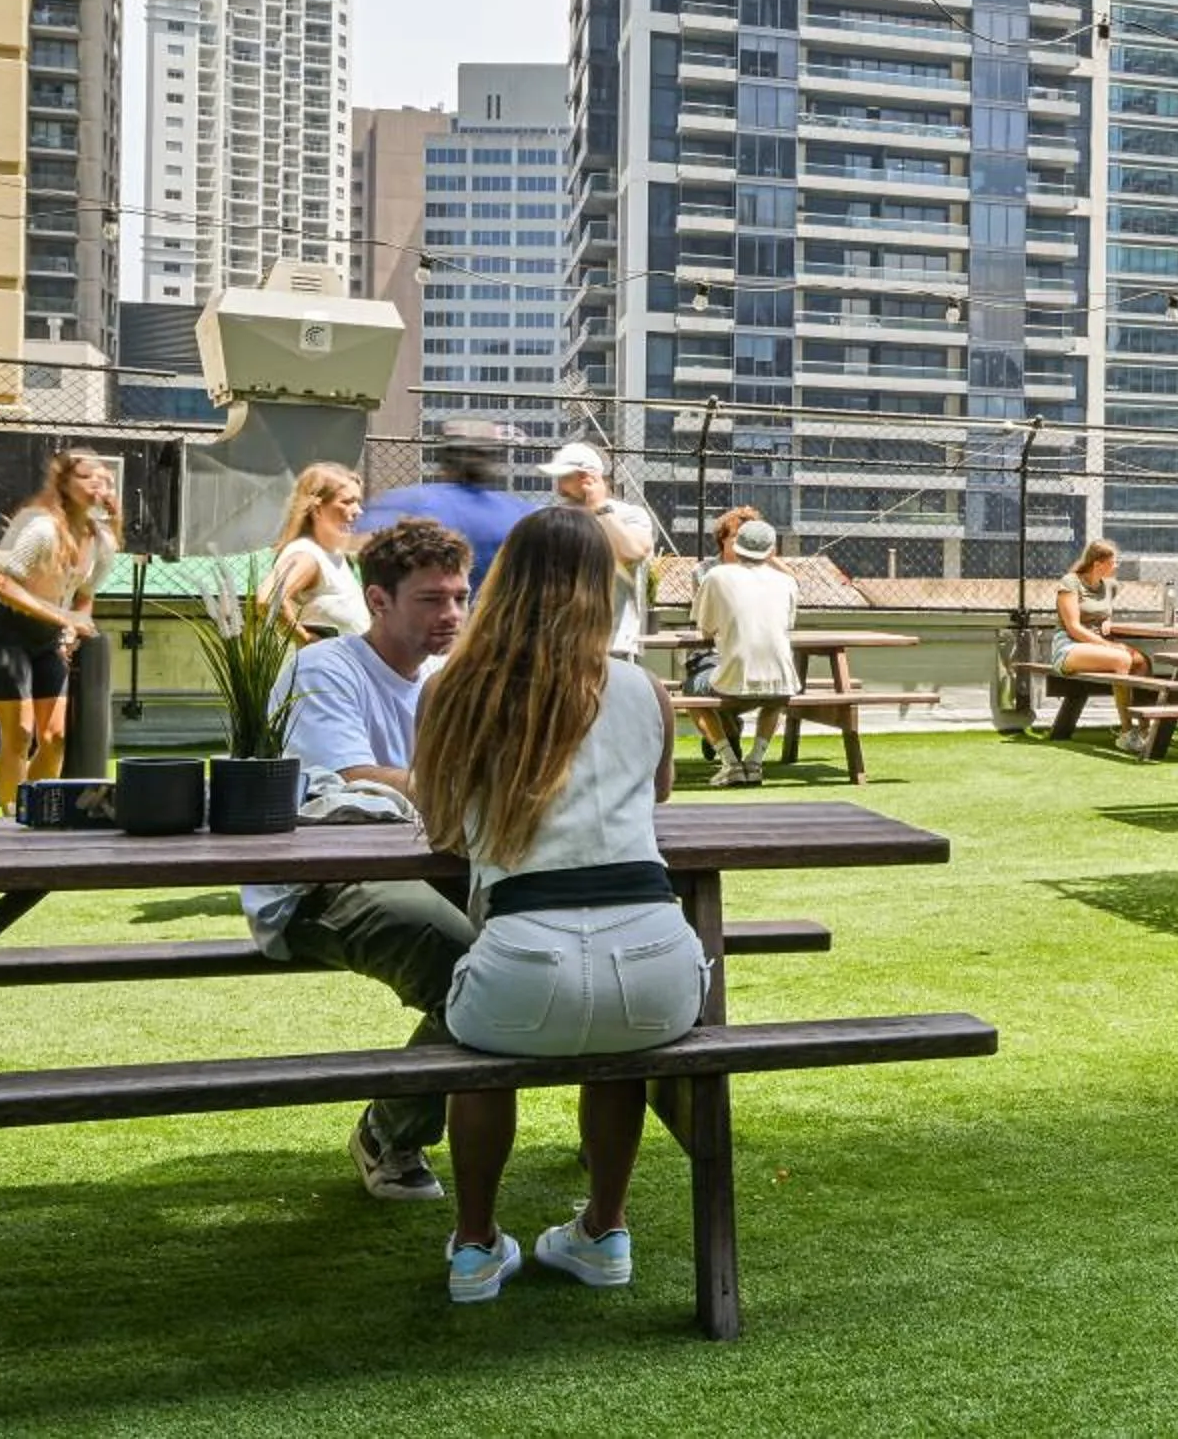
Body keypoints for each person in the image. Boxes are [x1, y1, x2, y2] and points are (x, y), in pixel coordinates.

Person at [413, 507, 697, 1304]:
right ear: (601, 589)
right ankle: (604, 1229)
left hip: (519, 964)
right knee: (620, 1058)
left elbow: (438, 824)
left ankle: (475, 1244)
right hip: (657, 966)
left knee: (477, 1059)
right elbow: (659, 793)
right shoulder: (644, 689)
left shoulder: (451, 690)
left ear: (502, 581)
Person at [236, 519, 477, 1204]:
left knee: (557, 934)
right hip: (319, 883)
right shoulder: (323, 668)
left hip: (434, 866)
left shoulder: (447, 674)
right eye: (431, 600)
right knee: (466, 962)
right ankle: (390, 1133)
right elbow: (349, 780)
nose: (452, 614)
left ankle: (603, 1125)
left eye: (459, 596)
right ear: (377, 601)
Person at [0, 449, 110, 814]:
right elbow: (2, 584)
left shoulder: (101, 540)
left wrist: (72, 629)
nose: (98, 481)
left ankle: (34, 810)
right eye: (85, 476)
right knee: (19, 734)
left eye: (103, 475)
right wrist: (62, 618)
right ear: (64, 483)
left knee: (56, 737)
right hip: (6, 634)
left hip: (48, 639)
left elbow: (85, 595)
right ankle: (10, 819)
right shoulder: (41, 527)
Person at [355, 420, 535, 588]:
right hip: (495, 616)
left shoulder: (404, 502)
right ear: (494, 459)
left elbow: (359, 550)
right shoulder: (523, 513)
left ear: (443, 457)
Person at [689, 517, 799, 786]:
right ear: (771, 550)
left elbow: (705, 628)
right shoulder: (787, 582)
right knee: (774, 699)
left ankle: (730, 763)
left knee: (692, 691)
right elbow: (789, 623)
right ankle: (755, 761)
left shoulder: (716, 576)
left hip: (734, 679)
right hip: (784, 680)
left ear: (737, 547)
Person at [542, 441, 658, 657]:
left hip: (613, 643)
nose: (559, 488)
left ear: (589, 478)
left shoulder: (630, 515)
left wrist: (598, 507)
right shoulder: (556, 517)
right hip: (561, 641)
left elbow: (632, 552)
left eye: (565, 478)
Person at [1051, 539, 1152, 755]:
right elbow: (1074, 628)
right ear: (1098, 564)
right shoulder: (1070, 583)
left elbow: (1105, 609)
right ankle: (1127, 732)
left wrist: (1108, 620)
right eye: (1113, 562)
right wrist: (1108, 646)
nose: (1117, 566)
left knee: (1142, 661)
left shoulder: (1110, 585)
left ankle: (1144, 728)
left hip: (1098, 646)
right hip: (1069, 646)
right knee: (1122, 659)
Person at [262, 462, 368, 640]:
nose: (358, 511)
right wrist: (306, 640)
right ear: (317, 508)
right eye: (347, 502)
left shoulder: (335, 555)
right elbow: (269, 598)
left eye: (357, 501)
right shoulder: (307, 555)